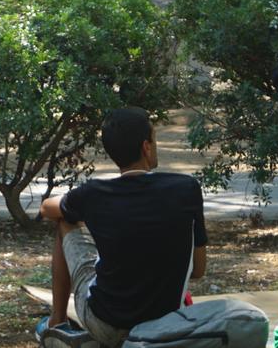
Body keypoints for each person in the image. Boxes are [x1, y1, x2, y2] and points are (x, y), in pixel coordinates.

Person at [38, 107, 208, 346]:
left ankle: (56, 323)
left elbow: (46, 208)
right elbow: (198, 270)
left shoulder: (94, 195)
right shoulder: (186, 189)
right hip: (165, 327)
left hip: (105, 324)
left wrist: (84, 210)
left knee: (65, 219)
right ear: (146, 147)